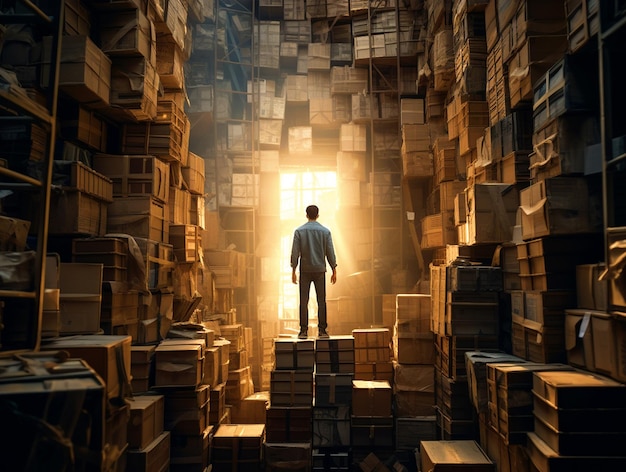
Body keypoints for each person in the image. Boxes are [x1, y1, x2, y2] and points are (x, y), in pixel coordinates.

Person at [290, 205, 337, 338]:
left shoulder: (299, 231)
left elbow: (295, 253)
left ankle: (303, 331)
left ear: (306, 215)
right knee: (321, 301)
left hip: (305, 270)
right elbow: (330, 252)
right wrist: (334, 268)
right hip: (320, 271)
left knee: (303, 301)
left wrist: (293, 269)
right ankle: (322, 330)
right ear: (317, 215)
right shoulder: (325, 232)